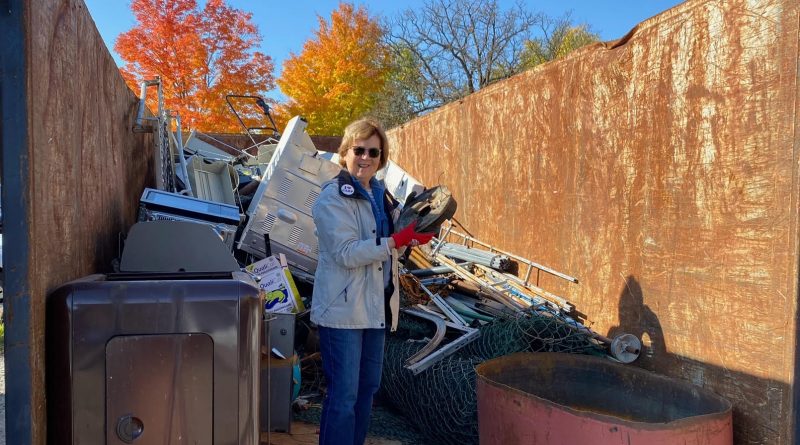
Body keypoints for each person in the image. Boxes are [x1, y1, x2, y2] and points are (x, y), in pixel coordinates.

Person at [311, 117, 435, 445]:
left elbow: (391, 234)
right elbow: (347, 253)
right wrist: (395, 242)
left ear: (381, 158)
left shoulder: (381, 195)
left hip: (375, 309)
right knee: (344, 397)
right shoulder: (331, 199)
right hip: (343, 312)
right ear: (344, 153)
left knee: (368, 389)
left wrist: (411, 236)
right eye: (359, 150)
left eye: (374, 153)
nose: (366, 158)